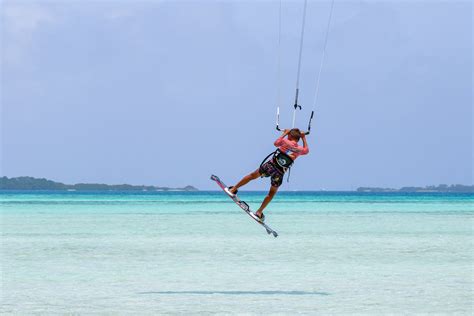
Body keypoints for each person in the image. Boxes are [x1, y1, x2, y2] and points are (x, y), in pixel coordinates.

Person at [225, 128, 309, 222]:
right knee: (271, 193)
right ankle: (259, 212)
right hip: (279, 173)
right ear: (298, 139)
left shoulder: (285, 141)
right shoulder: (300, 150)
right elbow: (307, 150)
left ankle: (233, 189)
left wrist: (284, 133)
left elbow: (276, 143)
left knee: (252, 176)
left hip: (270, 166)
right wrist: (304, 137)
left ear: (290, 136)